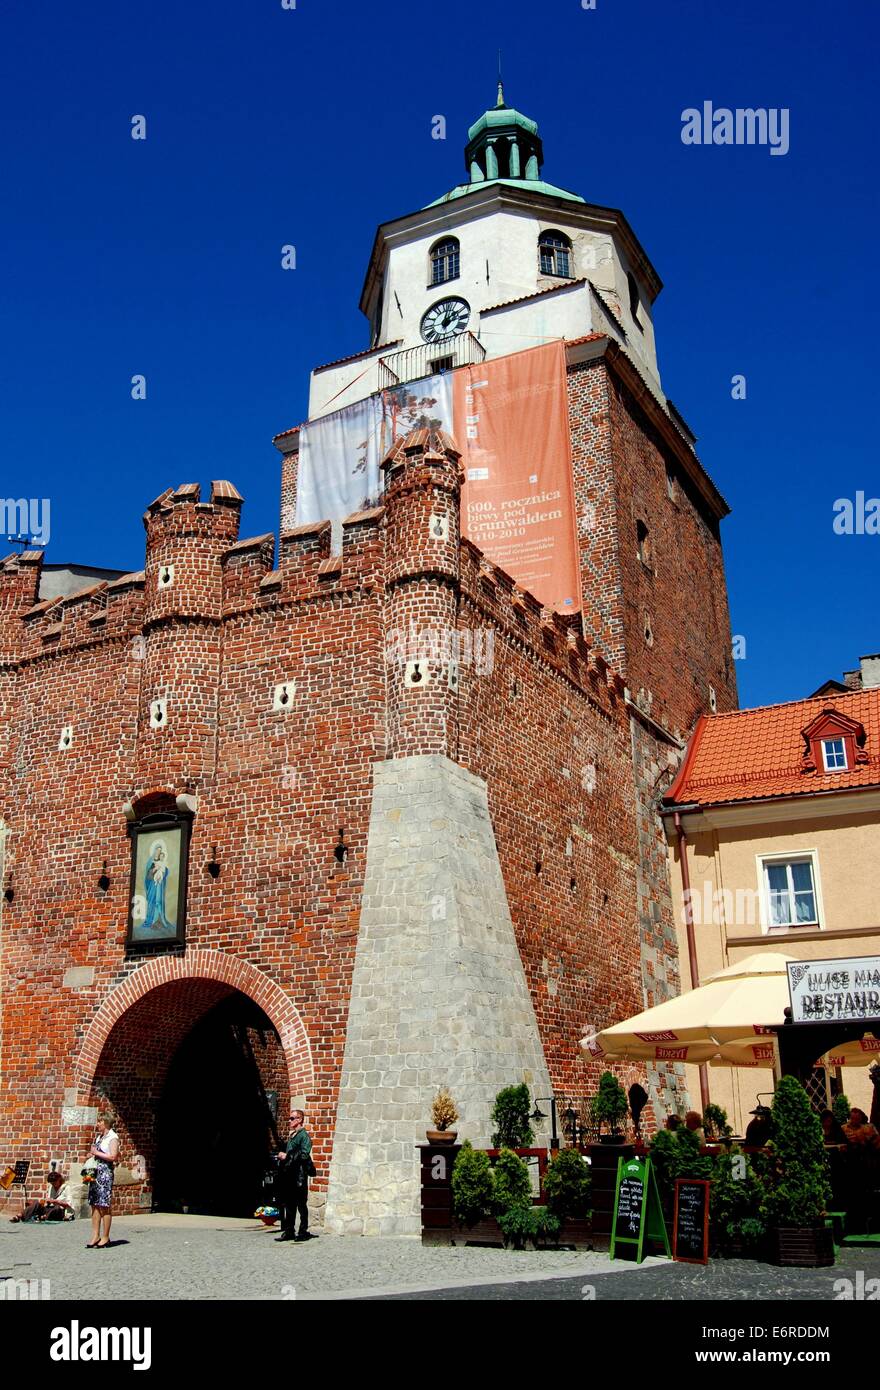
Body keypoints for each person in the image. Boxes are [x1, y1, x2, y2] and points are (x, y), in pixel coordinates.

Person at [275, 1108, 313, 1243]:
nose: (289, 1121)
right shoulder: (293, 1135)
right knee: (289, 1204)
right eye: (290, 1118)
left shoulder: (304, 1136)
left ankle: (303, 1231)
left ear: (300, 1120)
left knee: (301, 1204)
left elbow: (304, 1154)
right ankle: (289, 1230)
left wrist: (287, 1156)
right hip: (290, 1174)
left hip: (300, 1175)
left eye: (292, 1118)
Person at [87, 1113, 119, 1249]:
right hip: (95, 1173)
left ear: (106, 1122)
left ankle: (105, 1236)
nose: (97, 1124)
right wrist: (91, 1155)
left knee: (104, 1205)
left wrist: (96, 1153)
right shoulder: (100, 1137)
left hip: (105, 1174)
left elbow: (113, 1156)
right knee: (94, 1204)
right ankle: (95, 1235)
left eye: (99, 1121)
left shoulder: (113, 1138)